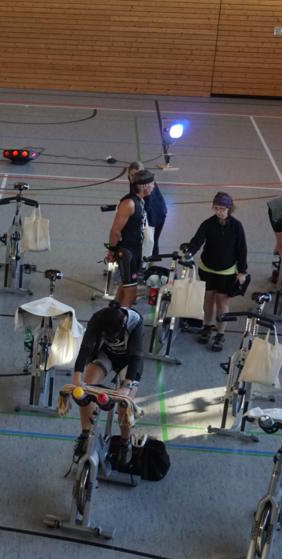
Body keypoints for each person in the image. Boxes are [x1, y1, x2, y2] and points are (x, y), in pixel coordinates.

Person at [70, 302, 144, 465]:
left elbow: (136, 357)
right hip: (107, 355)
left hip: (129, 361)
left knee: (125, 404)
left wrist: (126, 387)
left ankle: (125, 442)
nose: (111, 339)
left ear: (122, 326)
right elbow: (85, 348)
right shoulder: (98, 318)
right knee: (86, 389)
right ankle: (85, 434)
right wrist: (77, 377)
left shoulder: (135, 321)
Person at [185, 192, 248, 352]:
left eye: (222, 209)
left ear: (229, 208)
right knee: (208, 298)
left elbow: (242, 249)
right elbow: (197, 241)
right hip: (207, 268)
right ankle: (207, 326)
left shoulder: (237, 226)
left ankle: (220, 333)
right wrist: (189, 252)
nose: (219, 212)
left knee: (221, 301)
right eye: (216, 208)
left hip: (226, 271)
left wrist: (242, 271)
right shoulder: (208, 224)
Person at [107, 169, 155, 307]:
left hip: (135, 250)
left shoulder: (140, 201)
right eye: (152, 184)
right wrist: (112, 251)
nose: (153, 186)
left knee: (125, 285)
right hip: (127, 252)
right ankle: (124, 318)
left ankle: (114, 312)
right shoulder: (129, 203)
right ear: (144, 186)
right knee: (131, 293)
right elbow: (115, 231)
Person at [127, 162, 167, 257]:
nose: (134, 178)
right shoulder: (134, 180)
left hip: (156, 213)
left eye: (137, 174)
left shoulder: (147, 186)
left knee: (152, 240)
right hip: (150, 209)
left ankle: (152, 262)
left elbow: (146, 207)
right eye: (131, 175)